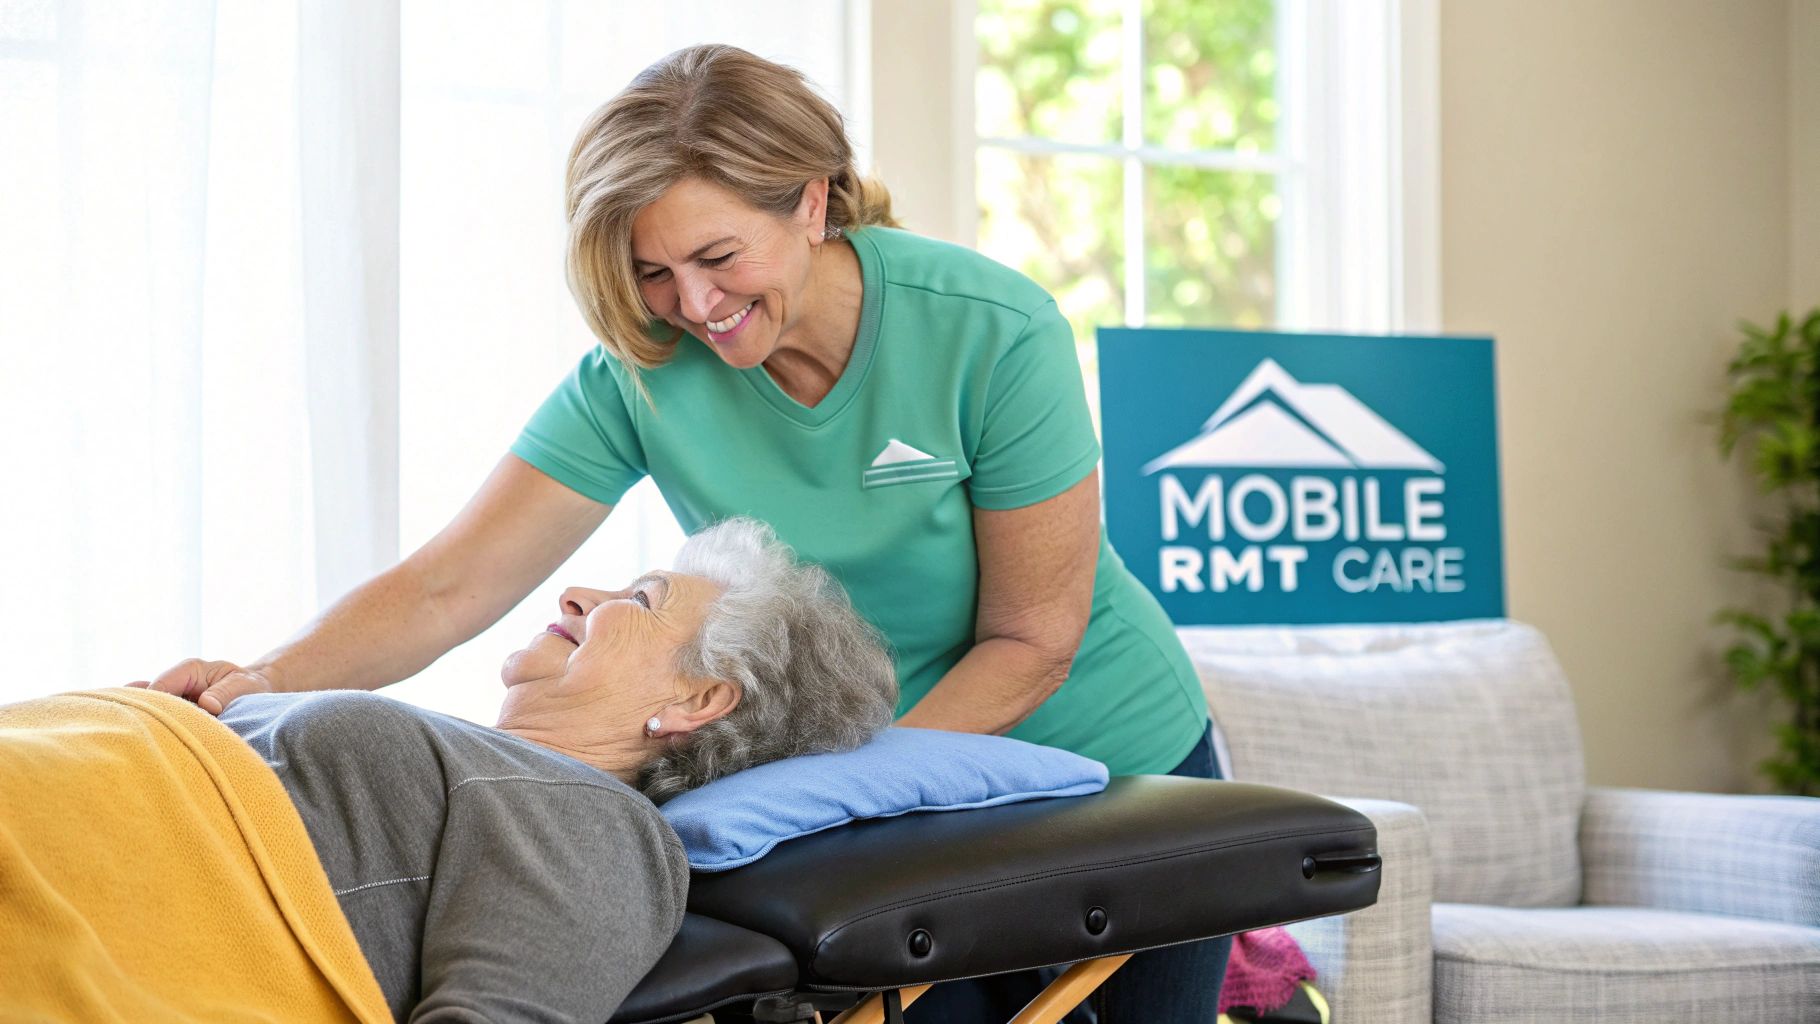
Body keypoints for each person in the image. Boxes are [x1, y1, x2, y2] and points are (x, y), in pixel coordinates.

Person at [141, 43, 1228, 1021]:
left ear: (812, 203)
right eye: (653, 272)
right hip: (859, 788)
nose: (694, 304)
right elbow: (448, 584)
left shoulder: (990, 332)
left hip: (1106, 755)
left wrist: (851, 799)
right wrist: (258, 681)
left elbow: (1032, 640)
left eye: (717, 256)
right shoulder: (643, 370)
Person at [186, 517, 894, 1020]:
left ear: (698, 699)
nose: (575, 595)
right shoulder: (477, 764)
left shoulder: (598, 825)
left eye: (640, 600)